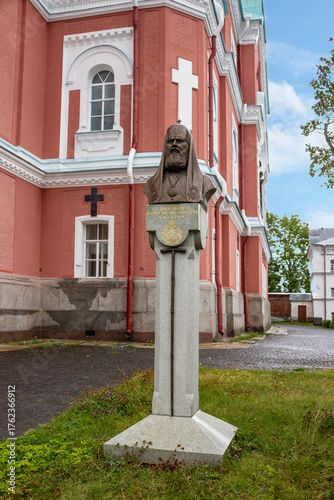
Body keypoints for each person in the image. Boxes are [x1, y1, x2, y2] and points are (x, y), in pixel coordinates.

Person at [143, 124, 216, 209]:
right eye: (170, 141)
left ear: (189, 147)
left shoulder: (204, 182)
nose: (174, 144)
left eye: (180, 141)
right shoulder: (151, 183)